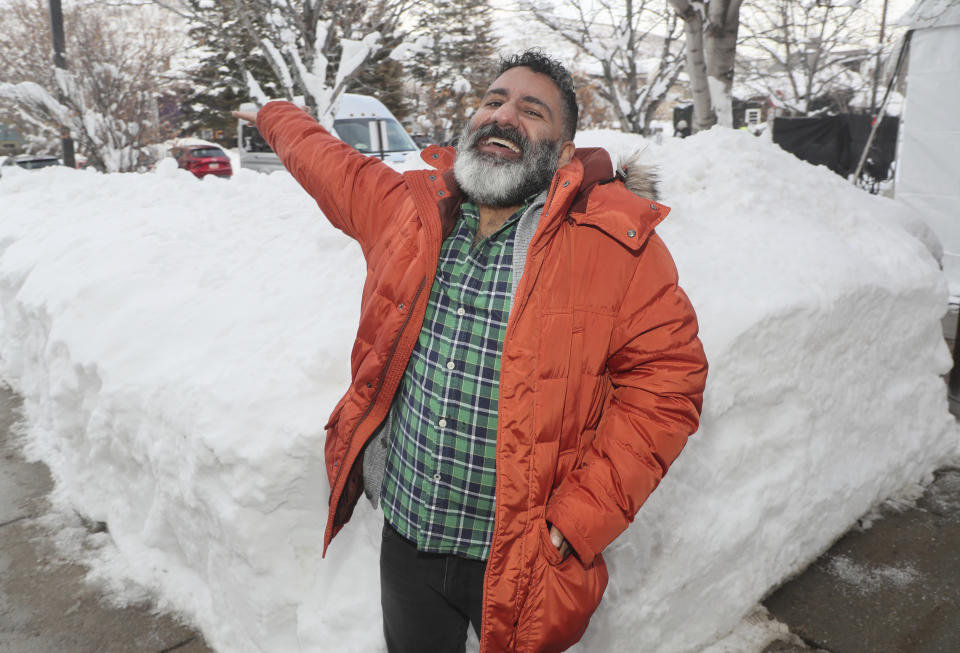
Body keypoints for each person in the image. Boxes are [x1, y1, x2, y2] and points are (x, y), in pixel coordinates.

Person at [233, 49, 707, 653]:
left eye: (532, 110)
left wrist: (577, 520)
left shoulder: (614, 243)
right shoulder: (410, 212)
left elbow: (668, 386)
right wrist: (275, 114)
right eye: (493, 100)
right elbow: (331, 164)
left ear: (562, 152)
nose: (504, 116)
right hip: (408, 534)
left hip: (520, 552)